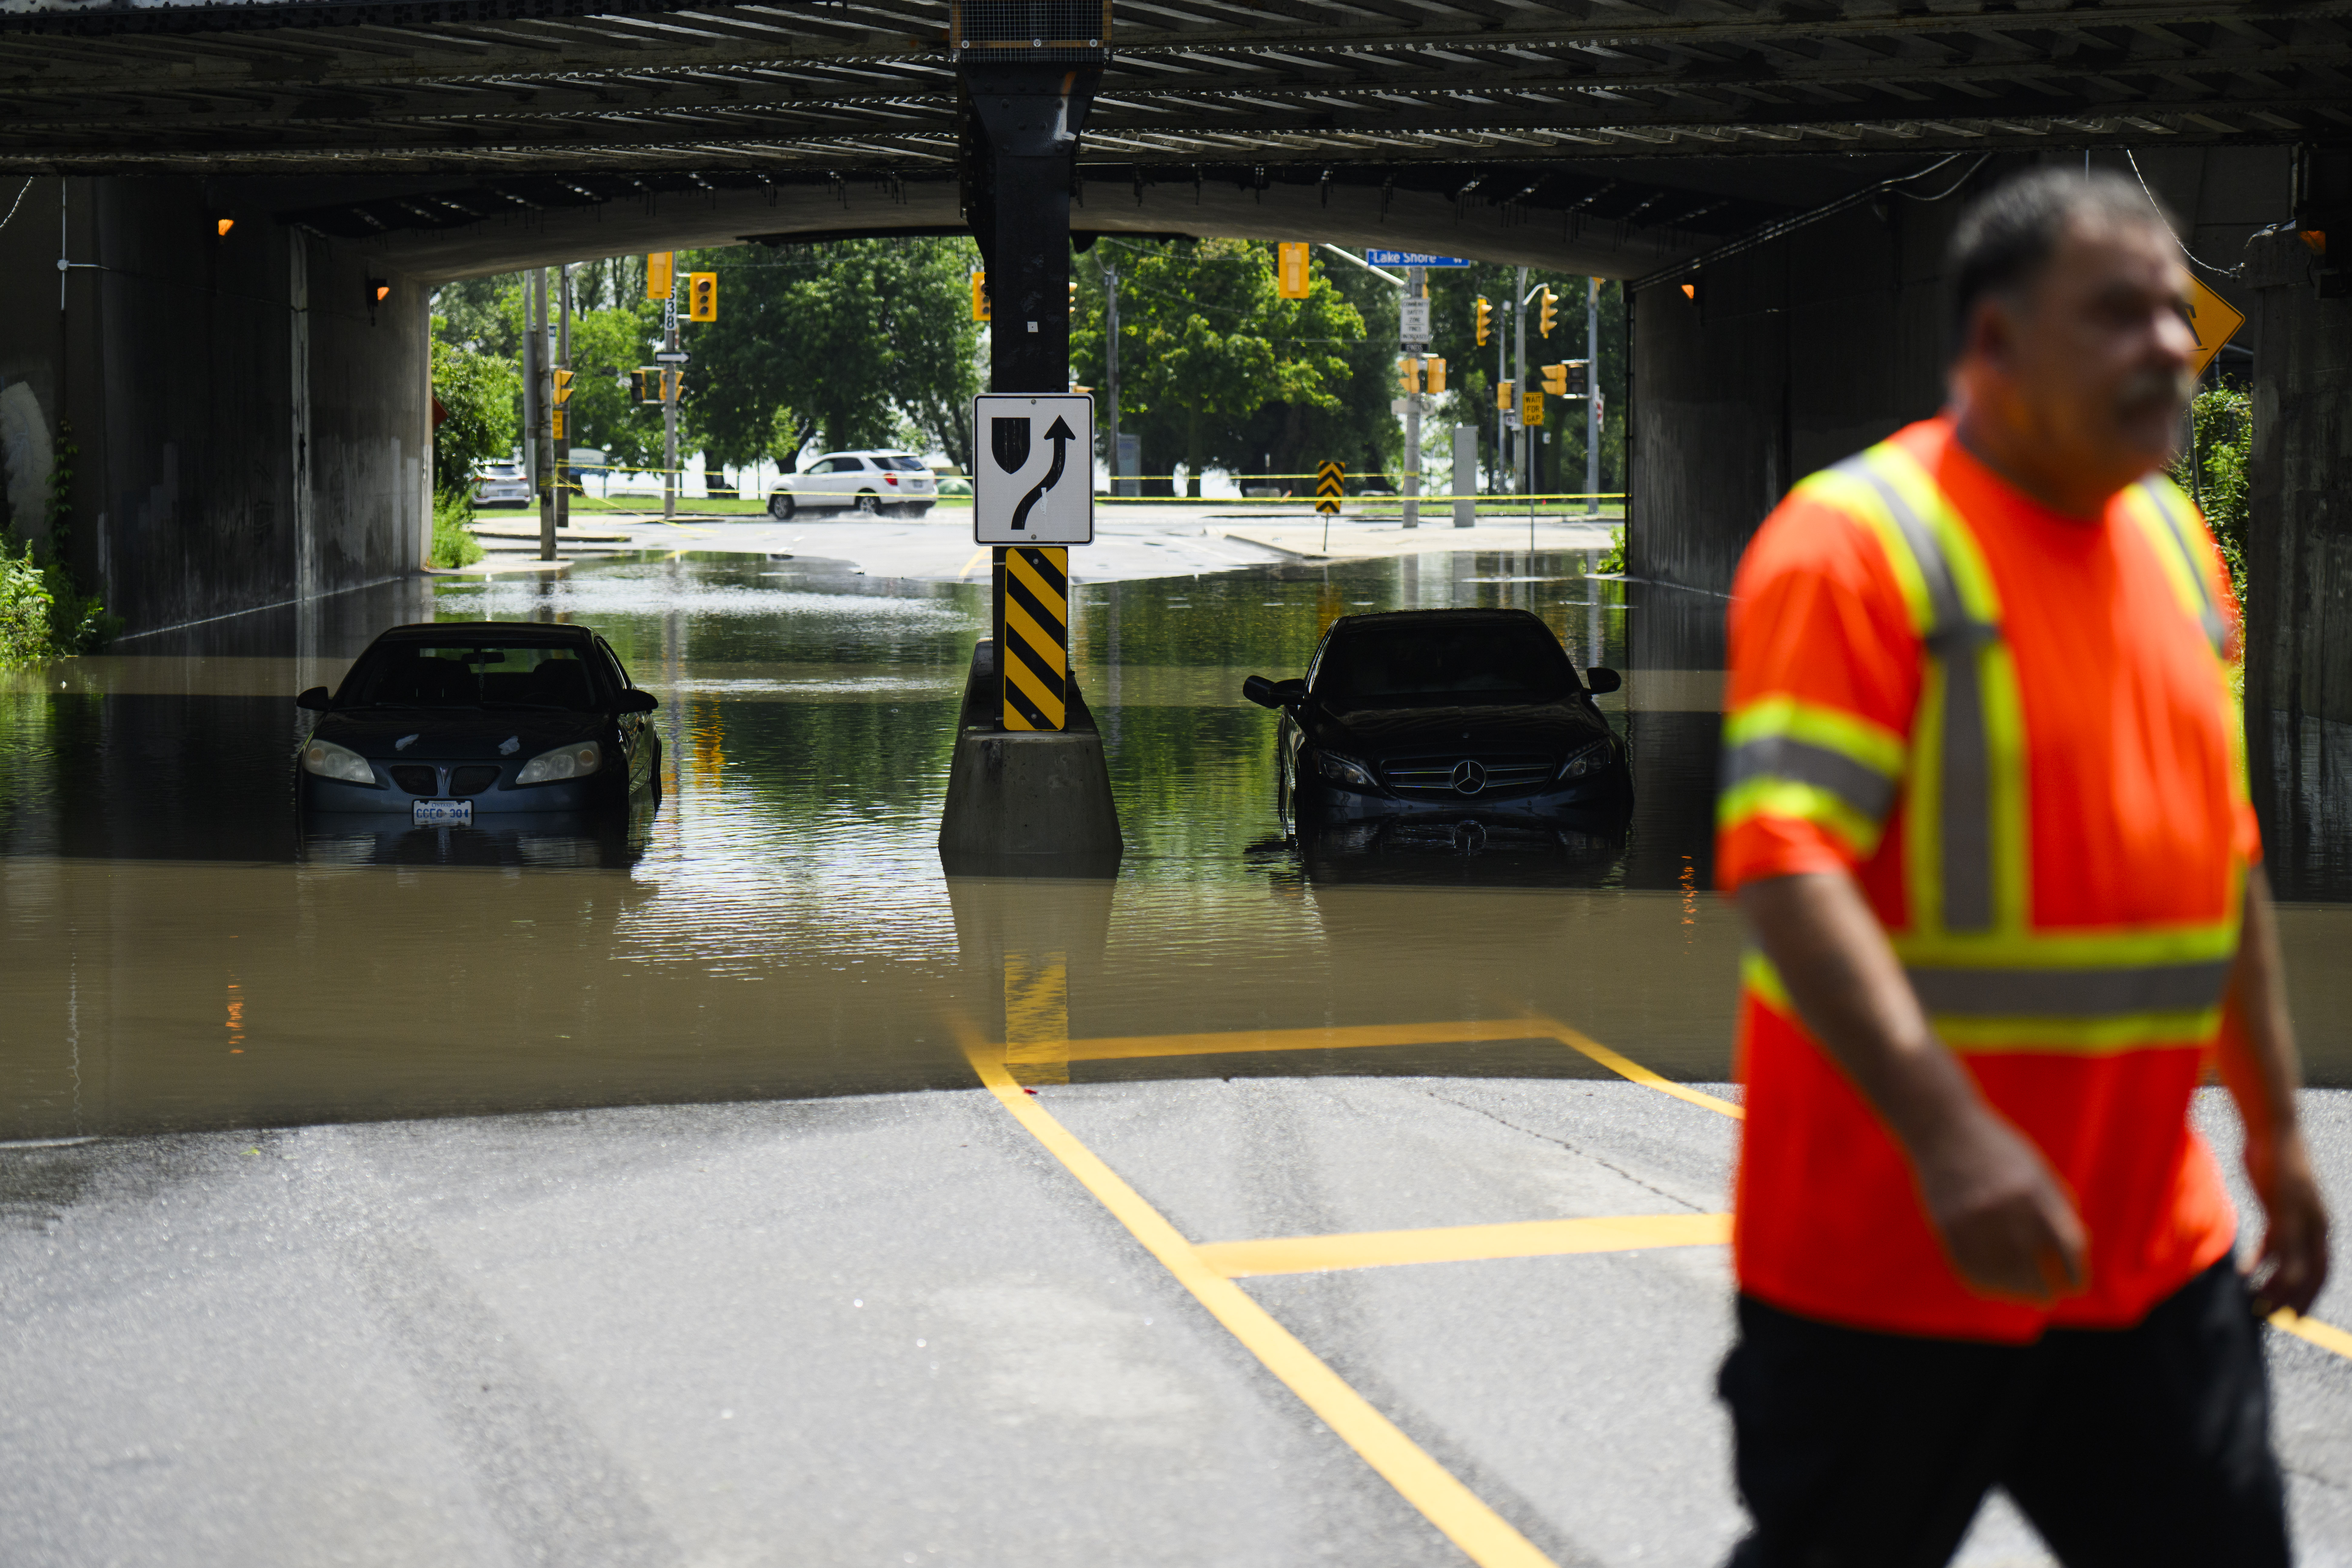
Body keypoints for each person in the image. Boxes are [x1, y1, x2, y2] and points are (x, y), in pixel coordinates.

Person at [1714, 166, 2331, 1566]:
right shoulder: (1858, 545)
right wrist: (1952, 1138)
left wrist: (2277, 1132)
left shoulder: (2178, 549)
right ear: (1989, 346)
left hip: (2142, 1253)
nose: (2171, 345)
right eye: (2117, 314)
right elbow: (1783, 858)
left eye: (2177, 313)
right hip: (1891, 1256)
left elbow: (2217, 862)